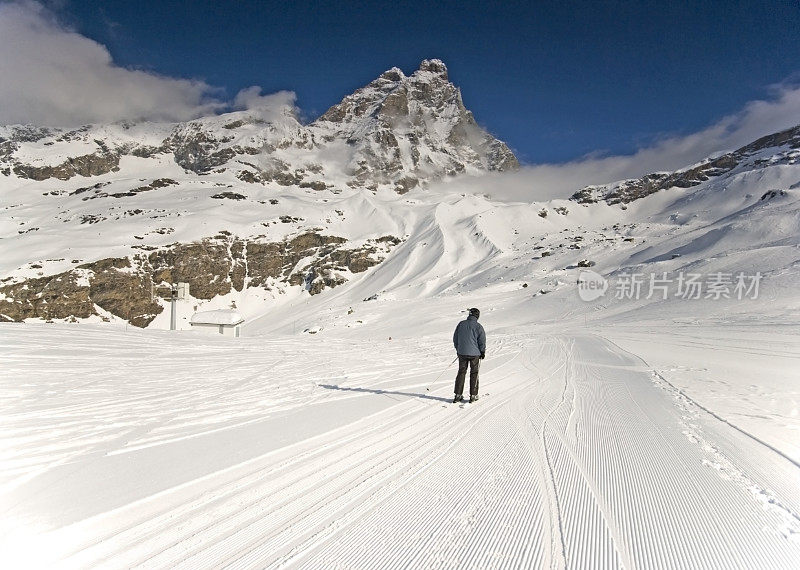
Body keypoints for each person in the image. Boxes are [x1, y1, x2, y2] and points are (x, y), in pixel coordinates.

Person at [452, 307, 486, 403]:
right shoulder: (478, 326)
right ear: (477, 315)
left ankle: (458, 395)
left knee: (461, 372)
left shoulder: (461, 324)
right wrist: (482, 352)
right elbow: (482, 340)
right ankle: (473, 395)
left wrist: (458, 349)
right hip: (475, 354)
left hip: (462, 353)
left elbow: (455, 338)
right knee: (474, 373)